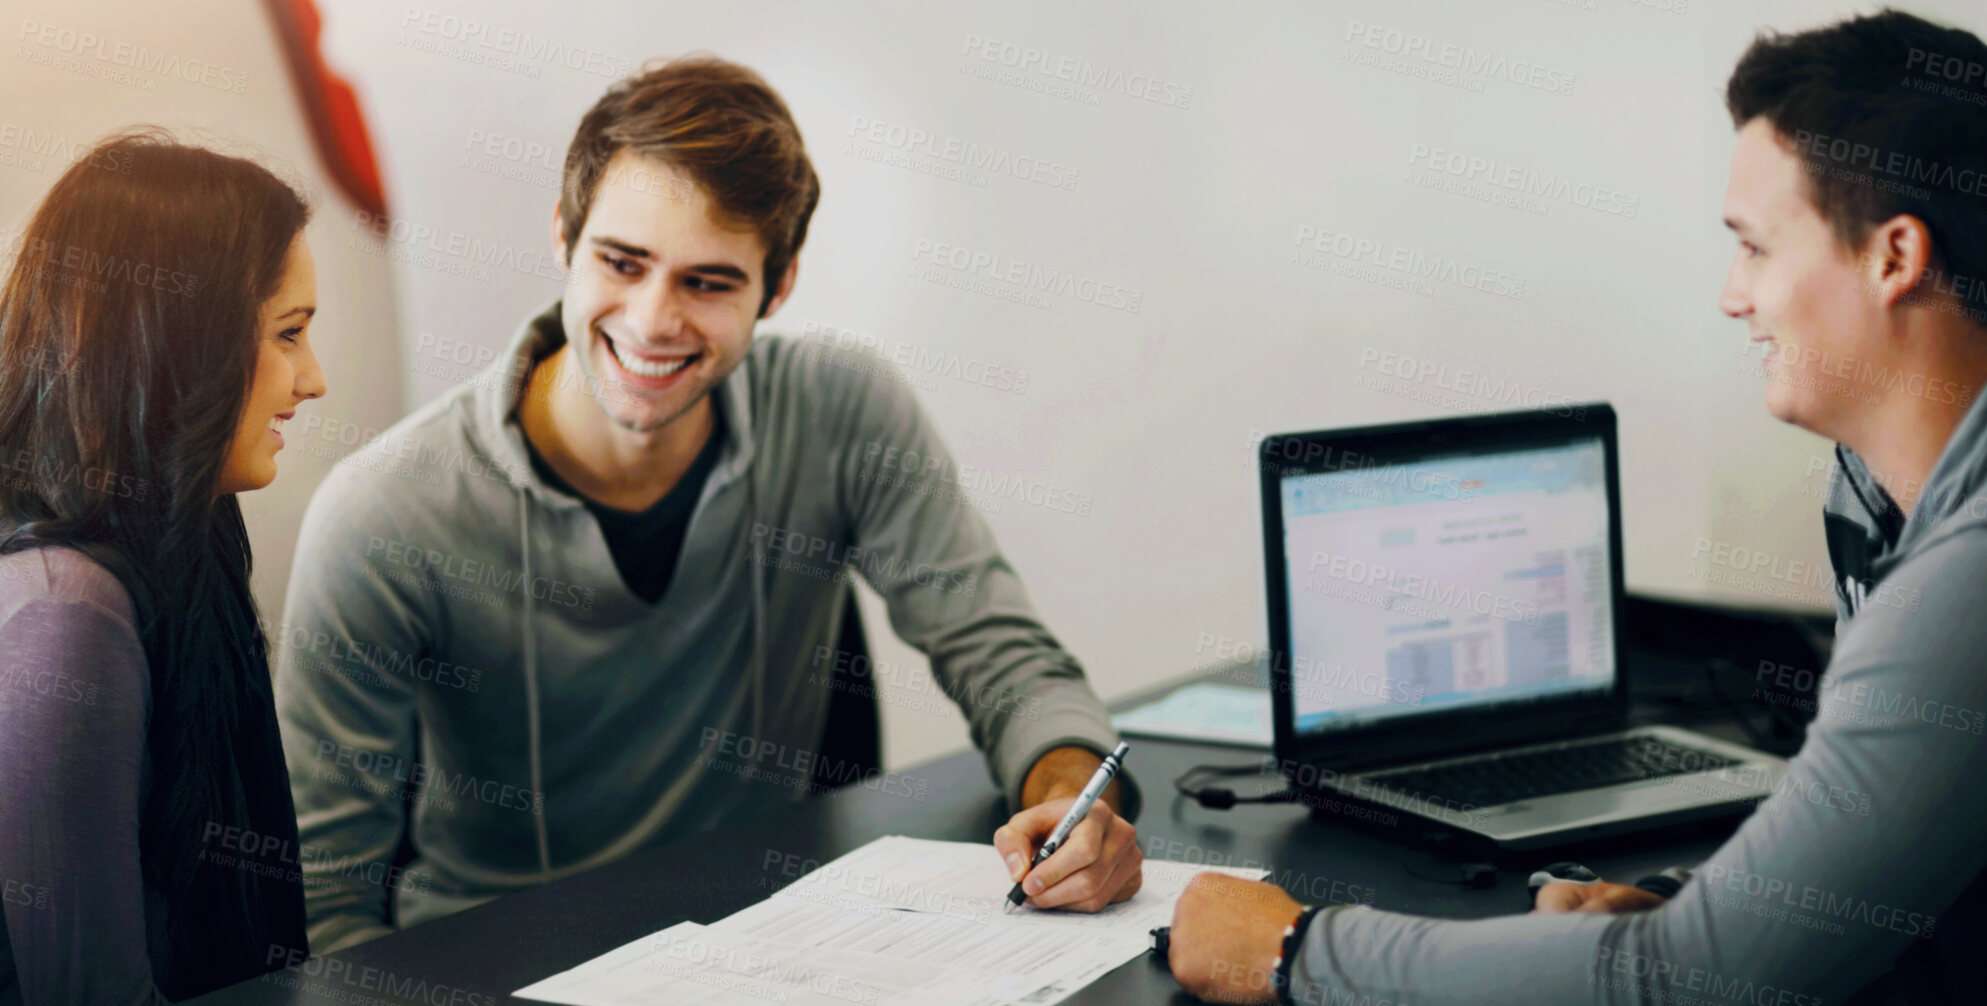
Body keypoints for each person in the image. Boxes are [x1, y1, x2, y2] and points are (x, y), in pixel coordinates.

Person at [1168, 9, 1987, 1005]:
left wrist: (1296, 951)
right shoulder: (1877, 489)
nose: (1733, 295)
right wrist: (1697, 908)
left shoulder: (1966, 572)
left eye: (1754, 247)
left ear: (1893, 257)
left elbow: (1692, 982)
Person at [277, 54, 1142, 953]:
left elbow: (1007, 662)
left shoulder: (842, 410)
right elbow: (326, 904)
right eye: (623, 261)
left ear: (779, 286)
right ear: (564, 237)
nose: (654, 321)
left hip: (773, 950)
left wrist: (1075, 799)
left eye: (708, 281)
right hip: (496, 967)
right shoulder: (384, 513)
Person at [0, 131, 328, 1002]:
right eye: (289, 335)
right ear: (183, 340)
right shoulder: (67, 615)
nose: (315, 379)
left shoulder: (194, 535)